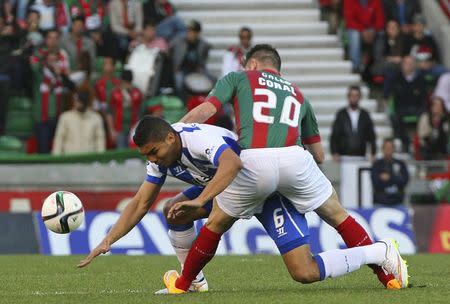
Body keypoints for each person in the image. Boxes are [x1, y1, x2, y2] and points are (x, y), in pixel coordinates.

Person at [162, 44, 407, 290]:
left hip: (253, 160)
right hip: (295, 159)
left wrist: (174, 132)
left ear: (253, 64)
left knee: (215, 223)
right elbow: (319, 155)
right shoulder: (299, 94)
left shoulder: (238, 77)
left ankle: (182, 283)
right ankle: (386, 274)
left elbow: (207, 110)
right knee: (338, 215)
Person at [78, 117, 408, 293]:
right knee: (173, 211)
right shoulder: (162, 155)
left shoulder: (199, 140)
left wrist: (203, 201)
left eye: (153, 152)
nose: (152, 160)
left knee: (304, 272)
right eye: (147, 156)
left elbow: (232, 165)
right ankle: (192, 282)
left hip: (262, 188)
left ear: (169, 138)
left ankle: (378, 252)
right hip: (224, 191)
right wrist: (107, 241)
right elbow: (140, 202)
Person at [330, 85, 377, 161]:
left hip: (361, 156)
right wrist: (334, 152)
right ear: (348, 97)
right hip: (343, 156)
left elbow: (371, 135)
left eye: (356, 95)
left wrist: (373, 153)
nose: (354, 98)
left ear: (360, 97)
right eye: (352, 95)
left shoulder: (365, 115)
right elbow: (334, 135)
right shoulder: (341, 115)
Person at [52, 90, 105, 155]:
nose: (76, 103)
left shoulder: (96, 118)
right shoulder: (65, 117)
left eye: (79, 101)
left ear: (85, 102)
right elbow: (59, 138)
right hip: (70, 158)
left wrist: (100, 157)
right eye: (75, 101)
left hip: (89, 158)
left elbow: (100, 139)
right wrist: (56, 156)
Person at [371, 138, 409, 206]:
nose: (388, 150)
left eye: (390, 148)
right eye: (386, 148)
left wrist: (390, 177)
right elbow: (375, 182)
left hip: (397, 201)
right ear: (382, 149)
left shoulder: (400, 164)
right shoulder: (377, 164)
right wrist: (396, 179)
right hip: (380, 202)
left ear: (394, 149)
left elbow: (404, 180)